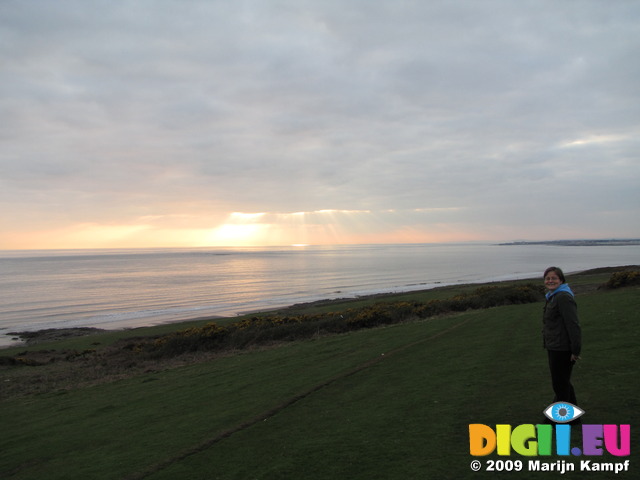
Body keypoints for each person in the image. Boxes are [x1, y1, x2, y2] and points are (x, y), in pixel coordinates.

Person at [542, 266, 581, 407]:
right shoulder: (553, 296)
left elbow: (573, 325)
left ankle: (560, 420)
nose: (550, 281)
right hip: (554, 345)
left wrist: (575, 350)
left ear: (561, 280)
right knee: (563, 382)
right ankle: (575, 418)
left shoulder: (563, 297)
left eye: (554, 278)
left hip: (562, 348)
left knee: (560, 385)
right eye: (547, 278)